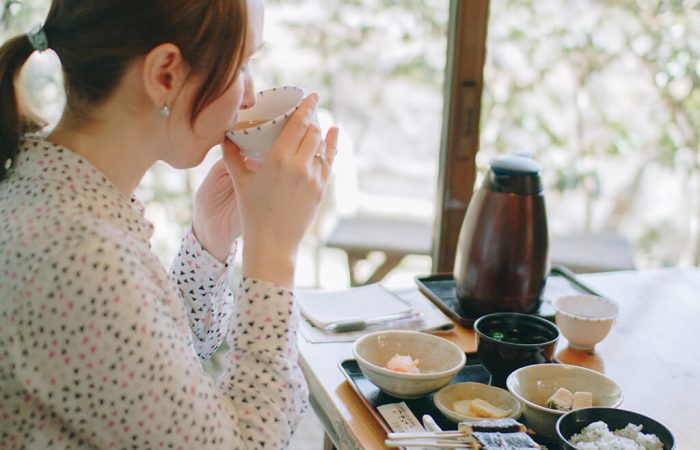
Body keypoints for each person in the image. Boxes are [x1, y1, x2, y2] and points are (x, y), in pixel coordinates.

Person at [0, 0, 338, 448]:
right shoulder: (82, 255)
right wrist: (274, 254)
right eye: (241, 66)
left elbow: (156, 371)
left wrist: (210, 238)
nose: (252, 96)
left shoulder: (49, 183)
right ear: (165, 75)